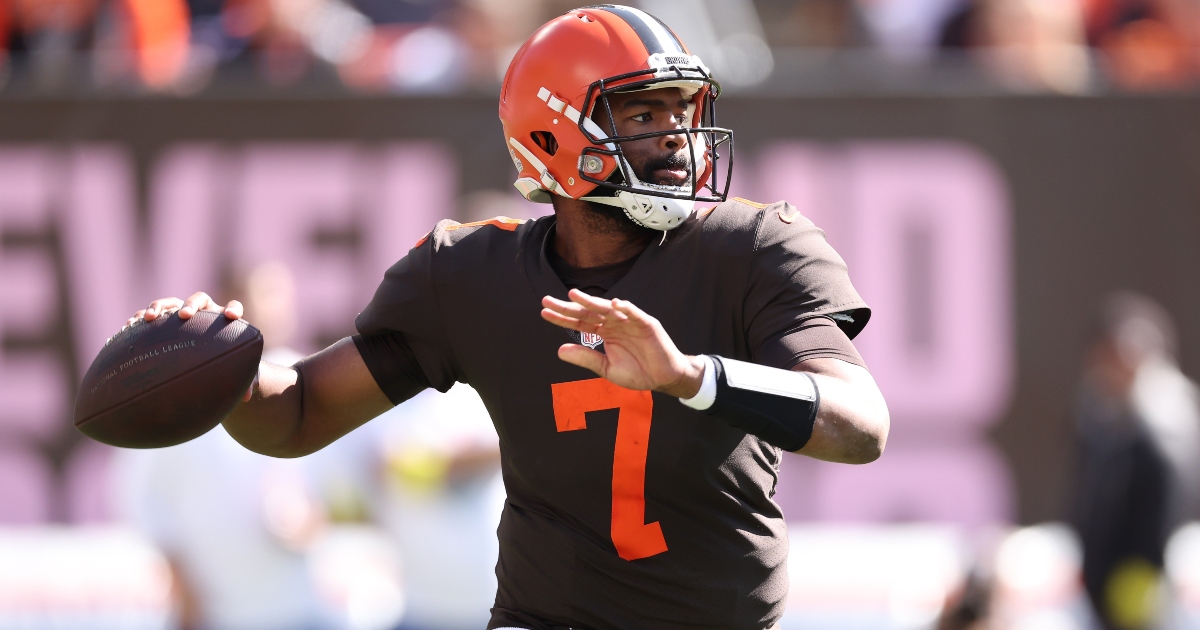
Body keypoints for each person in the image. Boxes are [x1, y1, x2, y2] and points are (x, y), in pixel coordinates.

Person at [127, 6, 890, 629]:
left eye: (682, 109)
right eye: (642, 113)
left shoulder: (757, 247)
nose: (677, 138)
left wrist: (694, 379)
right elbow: (295, 418)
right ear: (555, 133)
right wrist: (216, 363)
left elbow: (859, 424)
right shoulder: (468, 274)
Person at [1071, 292, 1200, 629]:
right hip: (1108, 576)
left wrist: (1141, 567)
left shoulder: (1163, 420)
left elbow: (1164, 506)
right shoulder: (1104, 417)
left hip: (1139, 579)